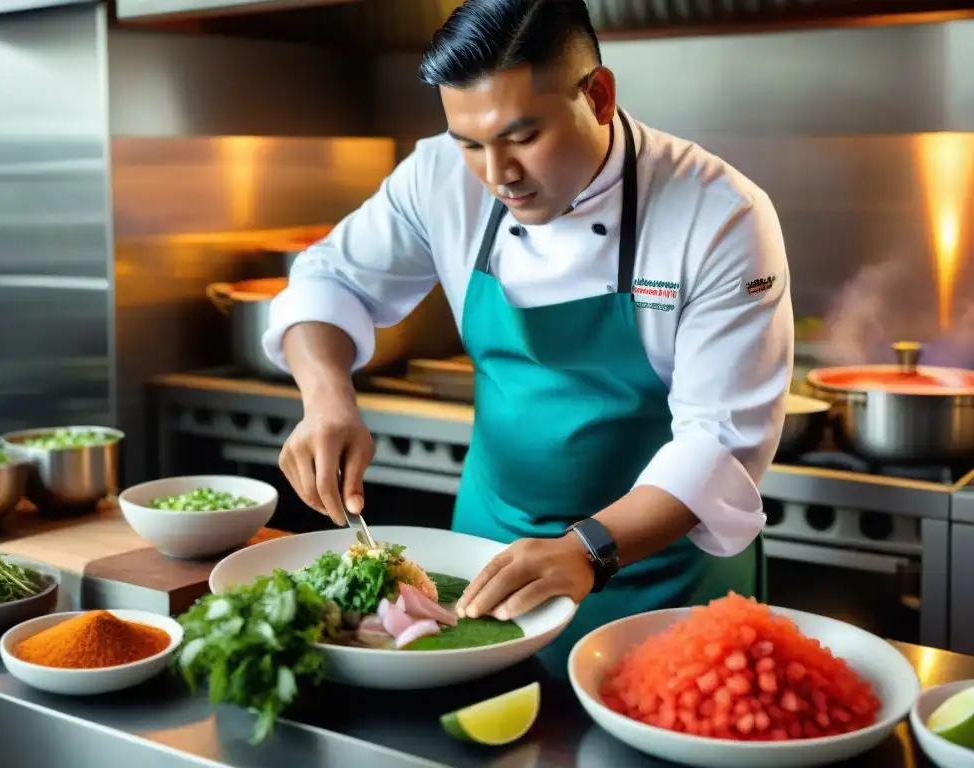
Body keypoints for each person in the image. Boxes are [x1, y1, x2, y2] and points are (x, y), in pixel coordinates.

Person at [262, 0, 793, 672]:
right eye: (470, 142)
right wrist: (327, 398)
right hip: (487, 552)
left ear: (598, 96)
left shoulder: (719, 215)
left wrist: (585, 549)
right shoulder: (438, 176)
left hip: (659, 577)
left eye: (523, 135)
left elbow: (718, 445)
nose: (497, 174)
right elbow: (329, 279)